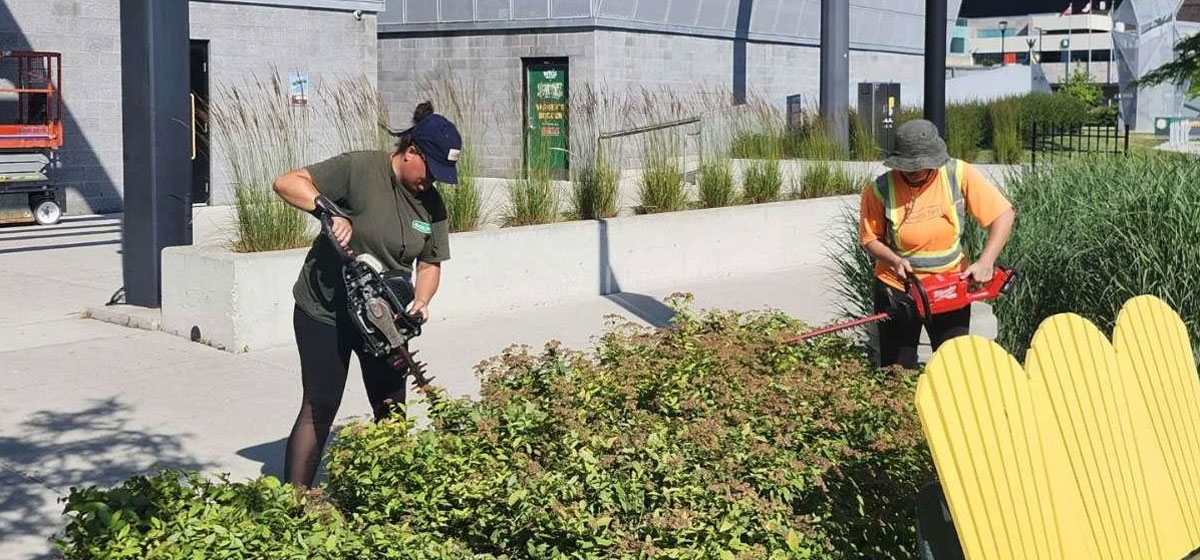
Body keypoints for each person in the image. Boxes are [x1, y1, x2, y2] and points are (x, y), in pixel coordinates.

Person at [271, 101, 461, 488]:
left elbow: (430, 263)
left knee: (391, 409)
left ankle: (391, 505)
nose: (433, 182)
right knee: (320, 406)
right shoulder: (359, 169)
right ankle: (291, 506)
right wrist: (328, 210)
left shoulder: (432, 205)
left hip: (384, 321)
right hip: (325, 313)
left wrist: (421, 302)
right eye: (431, 170)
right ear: (411, 151)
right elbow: (287, 182)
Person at [859, 119, 1015, 370]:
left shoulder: (957, 173)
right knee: (896, 372)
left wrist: (986, 261)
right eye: (909, 167)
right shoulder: (879, 189)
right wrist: (895, 261)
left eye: (922, 166)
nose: (916, 172)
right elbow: (869, 238)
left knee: (954, 369)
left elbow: (1003, 214)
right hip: (898, 289)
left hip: (950, 287)